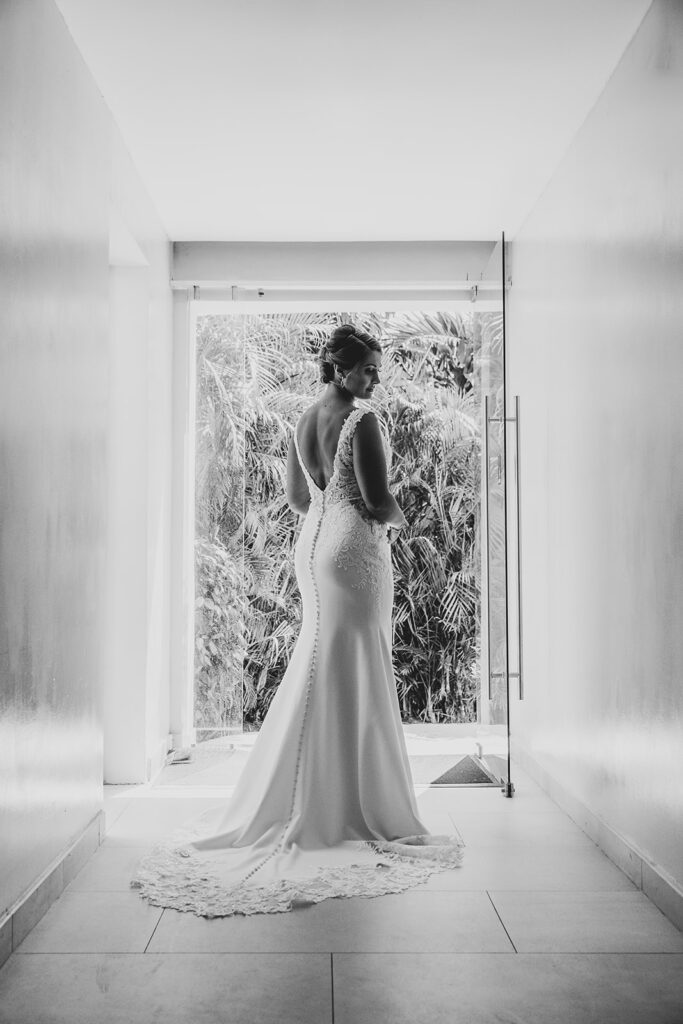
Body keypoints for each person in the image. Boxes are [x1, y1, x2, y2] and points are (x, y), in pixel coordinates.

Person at [132, 324, 463, 917]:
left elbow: (296, 498)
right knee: (356, 664)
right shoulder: (363, 422)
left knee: (319, 662)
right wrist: (398, 520)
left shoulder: (301, 420)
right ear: (340, 370)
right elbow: (379, 498)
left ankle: (303, 797)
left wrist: (331, 517)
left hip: (313, 547)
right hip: (353, 550)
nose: (375, 380)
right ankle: (346, 804)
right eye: (367, 370)